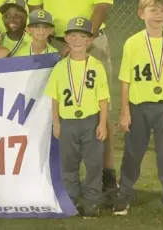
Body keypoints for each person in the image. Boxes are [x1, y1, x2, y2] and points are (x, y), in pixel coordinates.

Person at [28, 0, 116, 191]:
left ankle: (107, 174)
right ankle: (54, 173)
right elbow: (35, 7)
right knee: (51, 109)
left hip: (91, 42)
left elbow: (101, 4)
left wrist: (80, 40)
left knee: (98, 109)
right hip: (54, 44)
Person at [113, 0, 163, 220]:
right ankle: (124, 193)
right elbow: (125, 80)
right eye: (153, 10)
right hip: (138, 106)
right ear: (141, 13)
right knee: (133, 152)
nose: (158, 14)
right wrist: (124, 112)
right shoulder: (133, 43)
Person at [45, 17, 109, 218]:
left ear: (90, 40)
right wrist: (56, 122)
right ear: (66, 39)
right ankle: (71, 198)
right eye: (73, 35)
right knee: (68, 163)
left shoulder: (97, 66)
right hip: (68, 122)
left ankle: (91, 201)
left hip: (91, 121)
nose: (77, 40)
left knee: (93, 163)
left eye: (82, 36)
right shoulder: (60, 67)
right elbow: (54, 98)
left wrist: (103, 123)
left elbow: (103, 98)